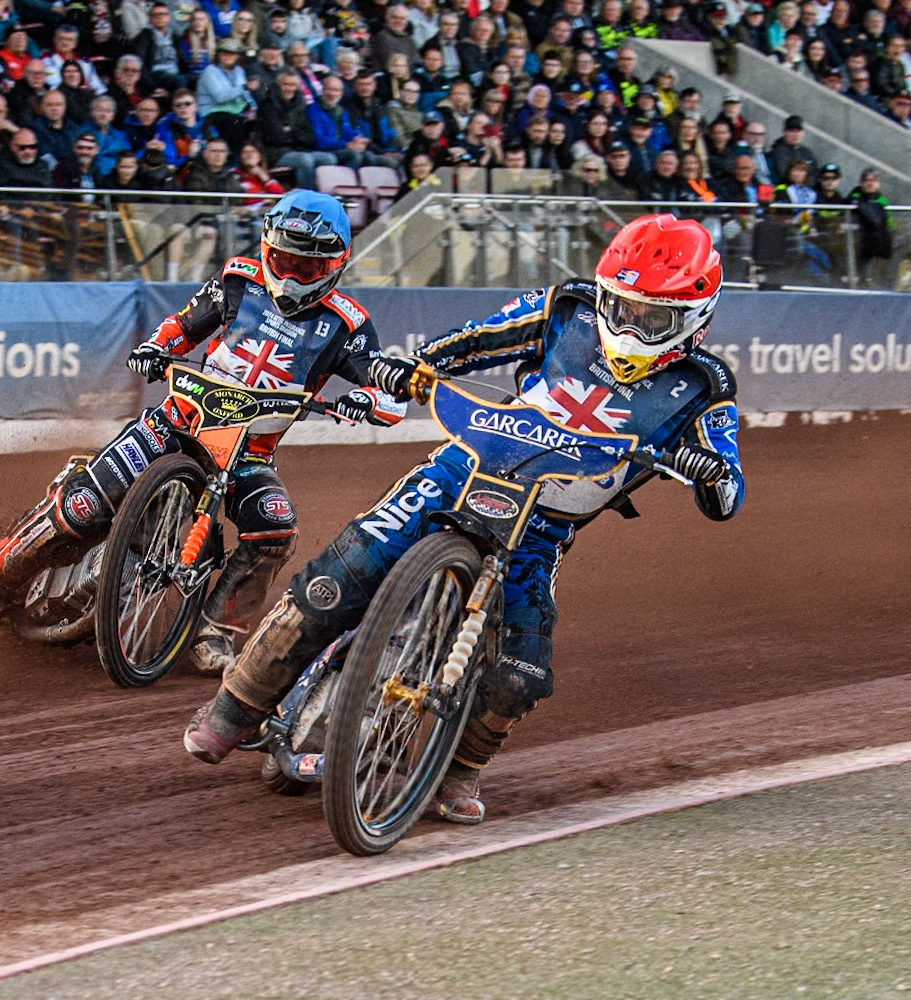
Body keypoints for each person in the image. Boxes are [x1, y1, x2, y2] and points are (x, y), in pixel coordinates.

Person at [183, 214, 745, 826]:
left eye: (650, 318)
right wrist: (420, 364)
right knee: (337, 578)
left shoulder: (704, 387)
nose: (626, 324)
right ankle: (233, 712)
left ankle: (458, 769)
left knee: (521, 674)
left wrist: (711, 473)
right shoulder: (569, 308)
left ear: (693, 321)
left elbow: (728, 490)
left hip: (542, 528)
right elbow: (479, 335)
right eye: (619, 304)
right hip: (465, 467)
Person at [0, 191, 407, 673]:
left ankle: (217, 633)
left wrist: (372, 398)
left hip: (248, 454)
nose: (292, 275)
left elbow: (384, 385)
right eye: (284, 259)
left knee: (275, 527)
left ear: (336, 264)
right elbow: (183, 326)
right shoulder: (237, 278)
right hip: (176, 422)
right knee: (83, 503)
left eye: (307, 268)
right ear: (266, 247)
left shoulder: (347, 324)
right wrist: (156, 346)